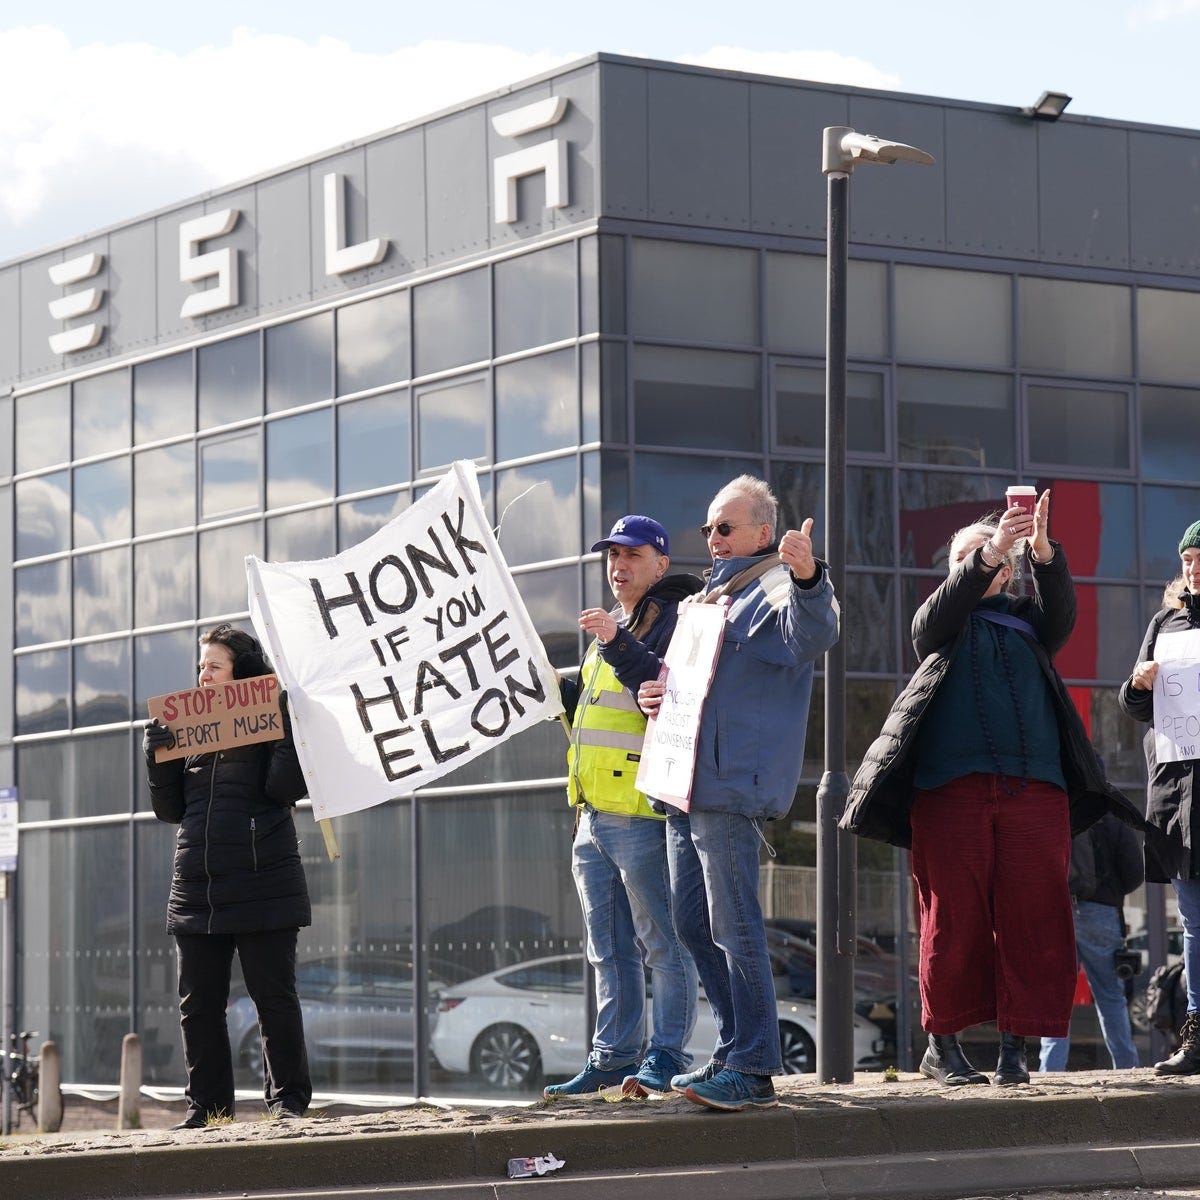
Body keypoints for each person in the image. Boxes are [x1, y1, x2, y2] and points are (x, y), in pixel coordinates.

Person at [841, 491, 1142, 1087]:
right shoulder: (940, 620)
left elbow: (1062, 614)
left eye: (998, 556)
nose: (988, 559)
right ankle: (942, 1045)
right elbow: (930, 623)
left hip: (1035, 793)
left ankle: (1015, 1048)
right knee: (952, 917)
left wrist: (1043, 551)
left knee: (1035, 917)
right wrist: (992, 548)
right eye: (970, 556)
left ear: (1011, 572)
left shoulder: (1028, 622)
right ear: (956, 570)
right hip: (950, 792)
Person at [638, 476, 839, 1111]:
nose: (713, 539)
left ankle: (753, 1066)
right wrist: (655, 694)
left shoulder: (771, 584)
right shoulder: (711, 597)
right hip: (686, 784)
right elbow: (695, 687)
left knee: (732, 925)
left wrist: (810, 580)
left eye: (724, 527)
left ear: (761, 533)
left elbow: (810, 635)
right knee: (693, 924)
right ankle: (734, 1048)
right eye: (707, 529)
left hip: (726, 785)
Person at [544, 516, 703, 1100]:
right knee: (607, 948)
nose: (618, 566)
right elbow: (600, 711)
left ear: (661, 563)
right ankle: (612, 1057)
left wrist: (616, 638)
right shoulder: (612, 629)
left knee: (664, 942)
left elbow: (663, 694)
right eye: (611, 556)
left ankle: (666, 1054)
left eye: (632, 555)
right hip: (592, 815)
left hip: (642, 812)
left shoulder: (674, 620)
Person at [143, 624, 312, 1128]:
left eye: (213, 665)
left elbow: (284, 790)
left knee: (273, 999)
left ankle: (287, 1104)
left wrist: (285, 732)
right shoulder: (189, 728)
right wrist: (157, 758)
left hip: (263, 882)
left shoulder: (267, 716)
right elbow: (169, 809)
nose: (203, 675)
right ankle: (208, 1109)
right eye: (201, 666)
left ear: (240, 669)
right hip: (197, 888)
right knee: (198, 1006)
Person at [1119, 519, 1200, 1074]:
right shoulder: (1166, 623)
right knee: (1193, 922)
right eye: (1189, 562)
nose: (1193, 571)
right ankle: (1197, 1034)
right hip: (1180, 797)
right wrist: (1138, 684)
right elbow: (1135, 706)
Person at [1038, 812, 1143, 1071]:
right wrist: (1111, 891)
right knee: (1110, 997)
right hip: (1102, 913)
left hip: (1058, 911)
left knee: (1056, 998)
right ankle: (1127, 1067)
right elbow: (1134, 872)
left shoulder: (1056, 811)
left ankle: (1050, 1071)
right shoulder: (1110, 817)